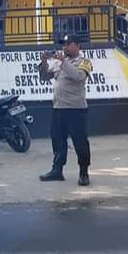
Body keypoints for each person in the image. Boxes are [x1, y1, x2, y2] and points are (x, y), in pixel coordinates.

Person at [38, 34, 93, 186]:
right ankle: (57, 170)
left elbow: (78, 76)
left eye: (69, 44)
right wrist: (43, 62)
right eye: (64, 44)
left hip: (75, 109)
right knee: (57, 140)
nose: (65, 47)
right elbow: (44, 77)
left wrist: (63, 62)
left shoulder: (84, 62)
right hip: (58, 108)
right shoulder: (58, 62)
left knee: (80, 142)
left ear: (77, 46)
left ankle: (83, 172)